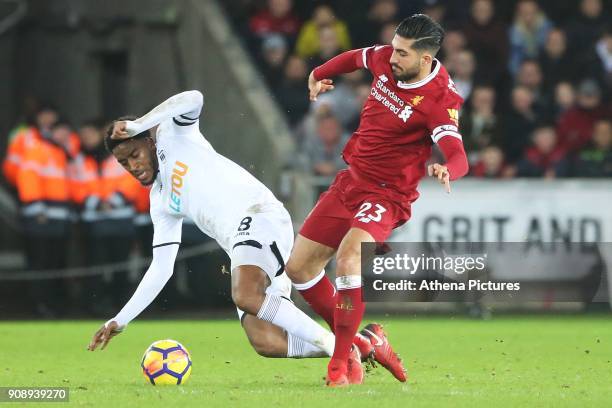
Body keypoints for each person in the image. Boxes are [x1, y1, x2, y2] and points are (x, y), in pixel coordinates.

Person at [86, 91, 382, 376]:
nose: (133, 166)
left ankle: (340, 351)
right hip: (244, 243)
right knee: (266, 342)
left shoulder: (172, 135)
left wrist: (140, 124)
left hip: (259, 215)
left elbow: (194, 98)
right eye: (124, 163)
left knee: (245, 294)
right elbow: (161, 268)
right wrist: (120, 319)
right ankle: (362, 343)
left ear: (149, 142)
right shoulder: (160, 201)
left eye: (135, 154)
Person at [285, 14, 469, 386]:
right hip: (350, 182)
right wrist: (319, 71)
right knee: (299, 269)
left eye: (402, 53)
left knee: (350, 255)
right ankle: (366, 343)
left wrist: (449, 168)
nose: (392, 56)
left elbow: (457, 152)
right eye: (394, 47)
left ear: (425, 59)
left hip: (388, 194)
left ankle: (340, 365)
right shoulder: (387, 59)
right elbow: (355, 58)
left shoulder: (439, 100)